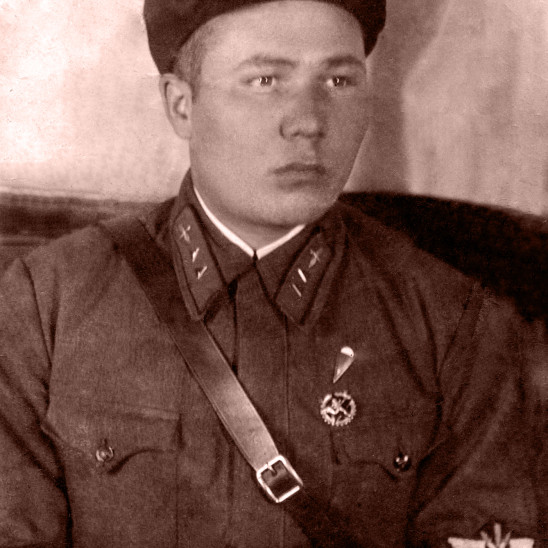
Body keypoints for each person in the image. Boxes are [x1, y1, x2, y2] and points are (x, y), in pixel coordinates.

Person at [0, 1, 543, 546]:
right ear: (181, 105)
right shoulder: (46, 303)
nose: (308, 122)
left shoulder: (455, 324)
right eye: (265, 80)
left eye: (338, 80)